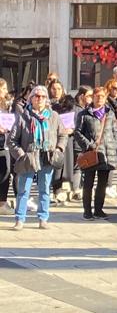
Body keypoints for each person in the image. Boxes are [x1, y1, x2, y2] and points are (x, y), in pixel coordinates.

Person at [8, 85, 67, 230]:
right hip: (28, 156)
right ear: (31, 98)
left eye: (43, 96)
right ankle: (20, 219)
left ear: (47, 99)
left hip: (47, 155)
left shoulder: (53, 116)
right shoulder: (23, 116)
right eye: (36, 96)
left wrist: (59, 149)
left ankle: (43, 218)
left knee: (44, 188)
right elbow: (12, 140)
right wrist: (21, 155)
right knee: (23, 189)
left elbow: (63, 135)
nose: (39, 99)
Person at [73, 85, 117, 220]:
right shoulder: (84, 114)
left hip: (107, 153)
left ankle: (99, 209)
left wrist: (115, 143)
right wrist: (89, 145)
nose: (99, 98)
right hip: (91, 152)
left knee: (102, 184)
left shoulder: (109, 113)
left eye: (102, 96)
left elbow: (114, 130)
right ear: (92, 97)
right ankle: (87, 210)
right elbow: (77, 132)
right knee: (88, 183)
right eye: (97, 96)